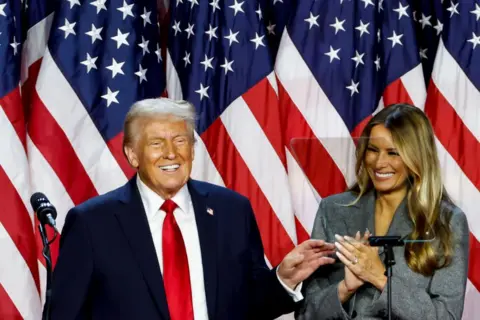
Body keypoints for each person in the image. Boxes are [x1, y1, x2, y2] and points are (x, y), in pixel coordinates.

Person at [49, 98, 335, 320]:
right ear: (132, 154)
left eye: (180, 141)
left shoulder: (231, 211)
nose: (171, 153)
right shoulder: (93, 223)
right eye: (156, 143)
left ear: (193, 149)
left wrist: (282, 280)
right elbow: (65, 315)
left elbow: (248, 307)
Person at [295, 103, 470, 319]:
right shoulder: (333, 210)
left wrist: (379, 277)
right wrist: (345, 289)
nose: (380, 163)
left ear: (418, 157)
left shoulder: (447, 221)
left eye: (393, 153)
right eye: (373, 150)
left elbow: (447, 316)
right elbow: (305, 313)